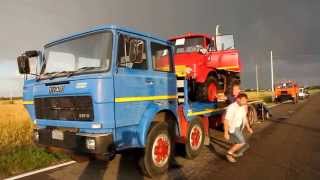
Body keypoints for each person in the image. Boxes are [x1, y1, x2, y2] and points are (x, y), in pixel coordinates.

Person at [224, 93, 253, 163]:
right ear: (238, 99)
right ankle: (229, 153)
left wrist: (248, 128)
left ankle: (236, 151)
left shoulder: (242, 106)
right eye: (243, 100)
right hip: (233, 128)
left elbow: (244, 117)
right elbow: (226, 120)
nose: (245, 102)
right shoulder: (231, 107)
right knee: (242, 142)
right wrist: (226, 132)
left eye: (246, 100)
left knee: (240, 142)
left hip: (239, 126)